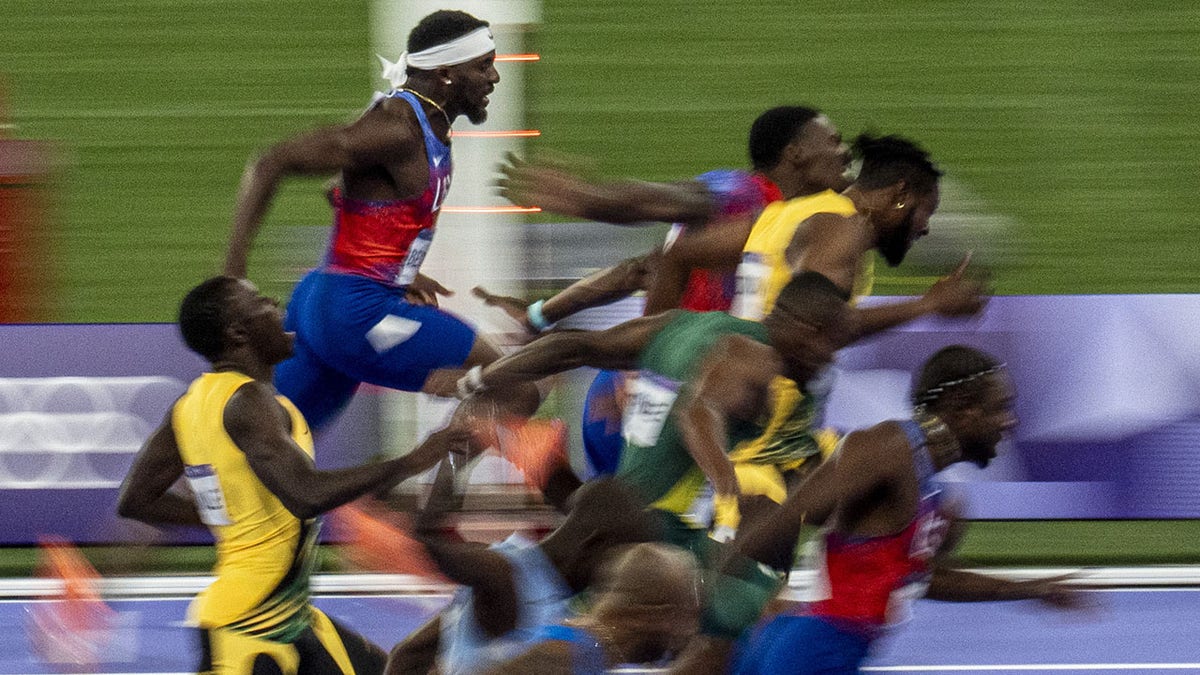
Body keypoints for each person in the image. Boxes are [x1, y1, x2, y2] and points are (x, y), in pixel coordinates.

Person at [457, 271, 853, 639]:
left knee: (567, 612)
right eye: (829, 341)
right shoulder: (757, 359)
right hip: (660, 534)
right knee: (754, 620)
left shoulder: (681, 325)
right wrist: (727, 491)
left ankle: (525, 611)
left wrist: (479, 379)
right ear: (804, 327)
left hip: (618, 509)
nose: (830, 356)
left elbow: (572, 347)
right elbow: (696, 415)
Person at [116, 276, 471, 675]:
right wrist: (413, 459)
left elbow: (136, 499)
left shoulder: (193, 404)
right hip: (247, 629)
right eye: (260, 301)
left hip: (288, 619)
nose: (275, 304)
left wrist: (225, 518)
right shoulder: (248, 401)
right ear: (238, 333)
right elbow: (306, 494)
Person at [481, 106, 853, 476]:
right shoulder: (740, 195)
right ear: (796, 153)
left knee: (623, 519)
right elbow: (658, 199)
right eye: (834, 141)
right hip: (666, 395)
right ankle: (531, 454)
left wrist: (540, 314)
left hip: (657, 388)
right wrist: (594, 200)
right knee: (644, 520)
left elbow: (635, 272)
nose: (845, 152)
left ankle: (533, 455)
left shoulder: (797, 221)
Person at [223, 9, 537, 432]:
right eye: (483, 66)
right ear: (446, 72)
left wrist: (401, 269)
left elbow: (340, 192)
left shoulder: (422, 123)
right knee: (515, 385)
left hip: (324, 301)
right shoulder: (398, 129)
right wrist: (233, 278)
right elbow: (272, 162)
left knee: (279, 443)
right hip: (358, 314)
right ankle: (438, 483)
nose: (494, 78)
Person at [728, 346, 1087, 675]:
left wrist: (1034, 590)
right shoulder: (888, 447)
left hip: (825, 649)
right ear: (963, 411)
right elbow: (795, 515)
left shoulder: (932, 492)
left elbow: (922, 579)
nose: (1011, 422)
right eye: (1001, 408)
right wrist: (725, 599)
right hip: (807, 650)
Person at [384, 464, 660, 675]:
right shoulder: (506, 575)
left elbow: (409, 653)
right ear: (594, 544)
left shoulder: (552, 594)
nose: (622, 577)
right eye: (622, 562)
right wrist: (455, 460)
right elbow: (431, 542)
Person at [483, 542, 702, 675]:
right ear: (650, 616)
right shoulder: (561, 651)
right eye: (683, 615)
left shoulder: (615, 650)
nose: (690, 629)